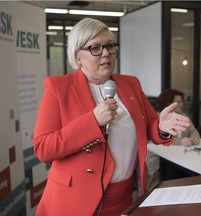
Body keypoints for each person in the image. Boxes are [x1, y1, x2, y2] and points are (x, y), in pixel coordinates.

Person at [32, 18, 190, 216]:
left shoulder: (131, 84)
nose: (105, 53)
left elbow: (149, 126)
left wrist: (162, 127)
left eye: (109, 46)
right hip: (75, 200)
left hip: (123, 197)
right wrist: (92, 121)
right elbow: (43, 148)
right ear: (77, 56)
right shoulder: (58, 88)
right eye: (95, 47)